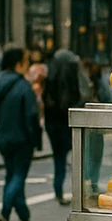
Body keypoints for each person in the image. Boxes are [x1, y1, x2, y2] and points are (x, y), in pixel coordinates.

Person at [0, 46, 42, 221]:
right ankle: (5, 212)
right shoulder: (24, 86)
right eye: (26, 61)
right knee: (18, 176)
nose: (28, 64)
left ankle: (24, 215)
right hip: (22, 138)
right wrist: (35, 140)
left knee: (12, 174)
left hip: (3, 138)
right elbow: (31, 116)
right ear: (18, 63)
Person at [42, 49, 84, 205]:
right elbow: (76, 100)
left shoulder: (50, 80)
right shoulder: (70, 82)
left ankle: (58, 190)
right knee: (78, 159)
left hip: (53, 126)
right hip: (66, 125)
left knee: (58, 159)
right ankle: (82, 191)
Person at [81, 59, 112, 197]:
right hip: (96, 120)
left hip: (85, 121)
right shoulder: (99, 81)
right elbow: (108, 97)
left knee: (88, 152)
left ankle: (88, 182)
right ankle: (91, 182)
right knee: (94, 153)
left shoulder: (82, 80)